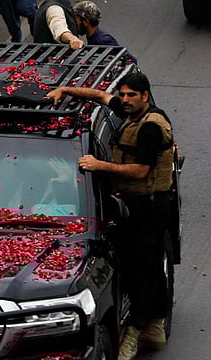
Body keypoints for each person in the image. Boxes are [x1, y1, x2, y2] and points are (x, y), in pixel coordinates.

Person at [46, 73, 174, 360]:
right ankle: (155, 327)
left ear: (145, 96)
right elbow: (100, 97)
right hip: (132, 203)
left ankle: (137, 330)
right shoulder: (129, 111)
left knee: (143, 268)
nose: (125, 100)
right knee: (145, 265)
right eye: (123, 94)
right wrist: (64, 89)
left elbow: (141, 171)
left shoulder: (150, 127)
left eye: (131, 95)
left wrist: (99, 165)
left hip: (149, 207)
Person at [72, 0, 138, 64]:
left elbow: (130, 60)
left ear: (86, 22)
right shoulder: (94, 38)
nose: (74, 23)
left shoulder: (103, 40)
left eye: (76, 20)